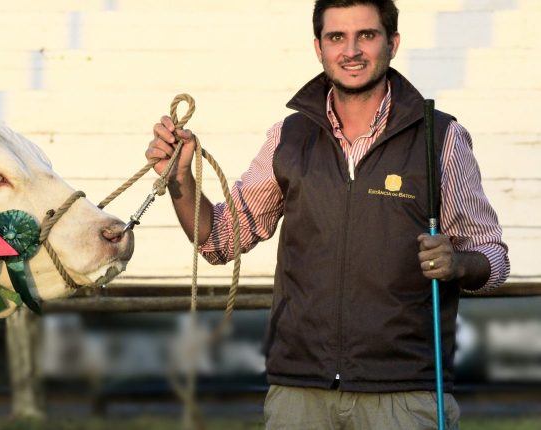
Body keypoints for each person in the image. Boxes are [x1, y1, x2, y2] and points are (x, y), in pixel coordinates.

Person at [145, 0, 510, 429]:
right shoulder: (289, 136)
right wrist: (181, 178)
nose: (351, 50)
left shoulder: (441, 137)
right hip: (299, 392)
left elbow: (495, 259)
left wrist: (458, 264)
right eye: (337, 37)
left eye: (366, 36)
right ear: (319, 48)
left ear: (392, 43)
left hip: (407, 392)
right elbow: (221, 239)